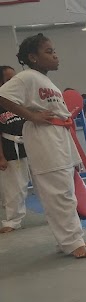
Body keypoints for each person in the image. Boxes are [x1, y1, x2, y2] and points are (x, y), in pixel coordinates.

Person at [0, 35, 86, 258]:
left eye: (54, 51)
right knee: (57, 192)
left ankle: (72, 238)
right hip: (44, 137)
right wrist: (31, 115)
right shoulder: (27, 76)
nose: (55, 55)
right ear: (33, 57)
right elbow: (2, 96)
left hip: (60, 135)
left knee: (66, 190)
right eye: (49, 52)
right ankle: (71, 242)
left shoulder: (45, 80)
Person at [0, 65, 30, 233]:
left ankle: (56, 215)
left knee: (46, 184)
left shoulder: (24, 100)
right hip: (10, 148)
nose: (14, 83)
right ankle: (12, 221)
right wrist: (1, 157)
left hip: (32, 145)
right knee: (14, 188)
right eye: (9, 79)